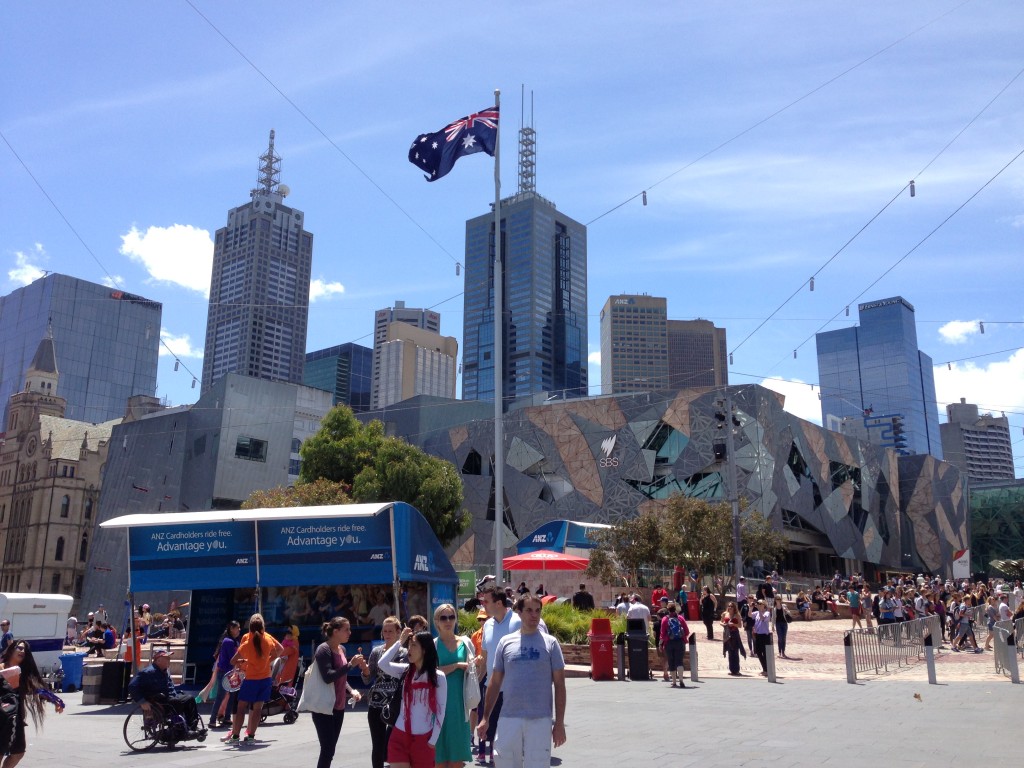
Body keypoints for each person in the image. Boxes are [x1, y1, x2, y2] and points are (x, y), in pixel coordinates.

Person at [476, 594, 566, 768]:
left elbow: (560, 685)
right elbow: (494, 682)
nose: (534, 615)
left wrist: (560, 723)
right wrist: (485, 717)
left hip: (540, 719)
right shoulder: (506, 642)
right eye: (529, 610)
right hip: (509, 717)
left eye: (537, 611)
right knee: (504, 763)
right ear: (518, 612)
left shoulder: (551, 643)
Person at [378, 627, 447, 768]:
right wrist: (400, 641)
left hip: (424, 740)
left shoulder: (438, 677)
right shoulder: (405, 671)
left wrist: (433, 740)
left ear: (425, 650)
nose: (409, 649)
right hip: (399, 736)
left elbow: (441, 712)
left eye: (414, 645)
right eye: (408, 645)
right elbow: (382, 664)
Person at [0, 639, 64, 768]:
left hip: (15, 717)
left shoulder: (24, 674)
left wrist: (56, 701)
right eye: (19, 648)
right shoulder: (0, 668)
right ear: (12, 649)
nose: (22, 651)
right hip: (0, 717)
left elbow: (38, 689)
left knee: (18, 753)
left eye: (24, 649)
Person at [477, 586, 521, 766]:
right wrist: (476, 683)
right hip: (491, 689)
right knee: (489, 731)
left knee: (512, 736)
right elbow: (486, 658)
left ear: (499, 603)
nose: (483, 605)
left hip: (514, 691)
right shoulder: (487, 624)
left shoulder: (518, 622)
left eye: (486, 601)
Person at [310, 617, 363, 768]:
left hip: (338, 706)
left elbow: (341, 676)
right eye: (346, 630)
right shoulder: (323, 649)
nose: (350, 633)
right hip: (324, 707)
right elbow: (328, 676)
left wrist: (351, 690)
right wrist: (351, 665)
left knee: (330, 749)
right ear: (335, 631)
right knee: (327, 749)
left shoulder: (342, 649)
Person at [223, 613, 282, 746]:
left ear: (250, 627)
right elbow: (280, 649)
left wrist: (245, 661)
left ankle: (236, 736)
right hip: (265, 678)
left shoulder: (246, 642)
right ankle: (251, 737)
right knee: (257, 709)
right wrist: (267, 661)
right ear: (263, 626)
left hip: (250, 679)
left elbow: (233, 660)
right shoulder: (268, 638)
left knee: (241, 707)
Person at [433, 603, 474, 768]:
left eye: (451, 617)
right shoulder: (432, 645)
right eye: (443, 617)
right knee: (439, 759)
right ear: (436, 621)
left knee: (457, 760)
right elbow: (429, 672)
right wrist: (456, 665)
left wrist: (475, 666)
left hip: (459, 704)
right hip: (437, 706)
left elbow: (475, 671)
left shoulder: (466, 642)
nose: (448, 621)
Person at [362, 617, 405, 768]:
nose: (387, 634)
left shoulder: (405, 653)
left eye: (391, 631)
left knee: (395, 745)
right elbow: (368, 679)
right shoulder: (376, 652)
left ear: (399, 632)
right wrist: (365, 670)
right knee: (378, 746)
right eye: (385, 631)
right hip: (376, 703)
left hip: (397, 704)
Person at [127, 648, 202, 735]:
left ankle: (191, 727)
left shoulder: (164, 671)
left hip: (169, 698)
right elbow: (132, 686)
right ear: (158, 660)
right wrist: (142, 701)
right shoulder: (148, 672)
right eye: (167, 658)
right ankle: (182, 727)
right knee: (178, 701)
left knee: (189, 698)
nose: (169, 660)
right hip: (159, 702)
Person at [207, 620, 240, 729]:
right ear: (232, 629)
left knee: (231, 695)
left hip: (231, 672)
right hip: (225, 672)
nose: (239, 630)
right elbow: (233, 658)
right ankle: (212, 720)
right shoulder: (229, 641)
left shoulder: (233, 641)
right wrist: (243, 661)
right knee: (221, 696)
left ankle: (227, 718)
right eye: (237, 628)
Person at [660, 602, 688, 688]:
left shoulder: (665, 619)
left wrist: (660, 644)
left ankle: (674, 682)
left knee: (671, 662)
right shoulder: (680, 618)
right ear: (675, 609)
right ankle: (681, 680)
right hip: (679, 642)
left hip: (669, 643)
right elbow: (686, 631)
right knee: (679, 661)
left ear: (668, 610)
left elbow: (662, 634)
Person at [752, 599, 772, 676]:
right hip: (758, 635)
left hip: (765, 635)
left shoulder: (767, 613)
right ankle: (765, 668)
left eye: (760, 604)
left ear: (764, 605)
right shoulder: (757, 613)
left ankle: (767, 670)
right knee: (758, 652)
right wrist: (751, 607)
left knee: (765, 653)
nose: (759, 605)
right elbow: (750, 615)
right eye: (758, 604)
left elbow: (763, 618)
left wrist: (760, 610)